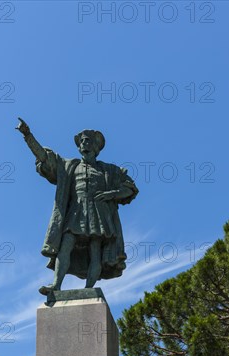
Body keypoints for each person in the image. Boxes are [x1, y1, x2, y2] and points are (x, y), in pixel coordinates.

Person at [16, 118, 139, 295]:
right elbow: (44, 156)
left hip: (99, 214)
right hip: (75, 212)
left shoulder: (109, 170)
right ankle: (56, 285)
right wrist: (28, 135)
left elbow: (130, 189)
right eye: (81, 141)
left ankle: (89, 290)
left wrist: (110, 194)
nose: (84, 144)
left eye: (87, 140)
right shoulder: (69, 166)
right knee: (65, 246)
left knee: (95, 252)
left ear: (96, 147)